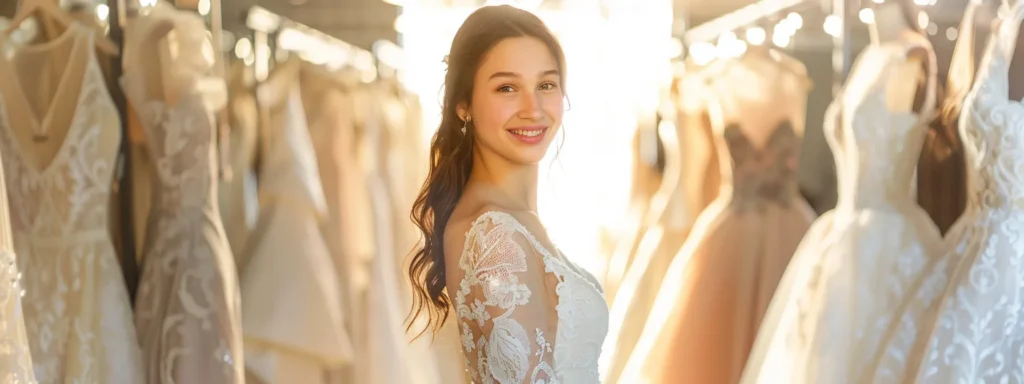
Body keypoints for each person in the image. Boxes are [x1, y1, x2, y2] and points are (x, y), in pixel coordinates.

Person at [406, 5, 608, 383]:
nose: (533, 109)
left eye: (545, 85)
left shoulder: (509, 220)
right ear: (463, 105)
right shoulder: (493, 234)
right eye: (507, 88)